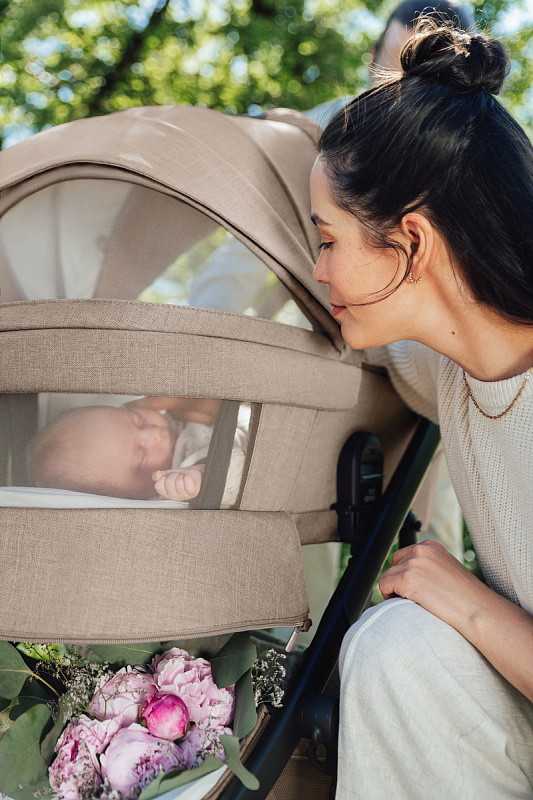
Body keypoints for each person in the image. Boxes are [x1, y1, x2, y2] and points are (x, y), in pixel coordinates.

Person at [311, 18, 533, 799]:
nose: (318, 269)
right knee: (396, 647)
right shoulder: (447, 366)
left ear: (411, 242)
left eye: (328, 240)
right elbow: (374, 357)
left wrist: (472, 608)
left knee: (404, 637)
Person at [27, 396, 247, 506]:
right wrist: (203, 478)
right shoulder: (172, 490)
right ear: (129, 498)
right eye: (142, 456)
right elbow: (240, 480)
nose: (155, 434)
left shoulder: (179, 416)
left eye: (138, 420)